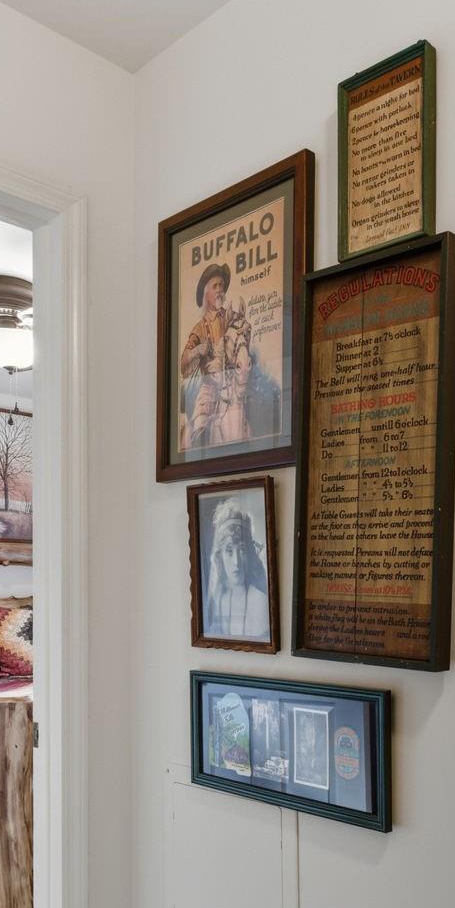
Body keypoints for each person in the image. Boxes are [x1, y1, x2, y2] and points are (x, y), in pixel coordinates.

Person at [179, 261, 282, 453]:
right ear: (206, 293)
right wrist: (197, 350)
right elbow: (183, 363)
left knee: (260, 402)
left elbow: (242, 335)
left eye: (221, 286)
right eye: (215, 286)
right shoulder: (200, 328)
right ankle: (200, 454)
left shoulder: (232, 315)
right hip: (211, 386)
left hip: (234, 379)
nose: (220, 290)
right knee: (201, 416)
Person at [203, 495, 271, 640]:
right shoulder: (218, 600)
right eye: (229, 550)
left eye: (242, 550)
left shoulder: (260, 602)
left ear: (250, 553)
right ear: (220, 555)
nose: (236, 561)